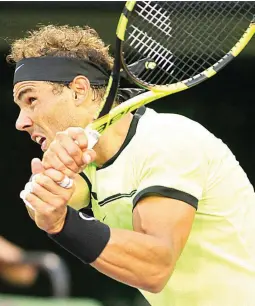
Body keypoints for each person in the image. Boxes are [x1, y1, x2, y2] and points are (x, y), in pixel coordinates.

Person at [8, 25, 255, 306]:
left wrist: (61, 222)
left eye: (31, 100)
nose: (21, 122)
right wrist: (47, 187)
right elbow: (42, 201)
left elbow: (154, 267)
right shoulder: (89, 164)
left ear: (79, 91)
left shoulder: (167, 140)